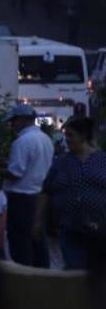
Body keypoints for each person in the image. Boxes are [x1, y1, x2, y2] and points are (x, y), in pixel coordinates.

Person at [39, 116, 106, 270]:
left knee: (98, 272)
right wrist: (38, 221)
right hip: (70, 228)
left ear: (83, 136)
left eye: (70, 135)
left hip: (100, 229)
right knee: (76, 270)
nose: (66, 139)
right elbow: (46, 192)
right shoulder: (61, 163)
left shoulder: (102, 160)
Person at [0, 103, 54, 267]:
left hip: (21, 200)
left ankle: (24, 283)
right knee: (38, 243)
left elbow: (15, 174)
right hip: (39, 198)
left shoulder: (22, 142)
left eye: (14, 121)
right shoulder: (45, 139)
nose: (12, 125)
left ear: (23, 120)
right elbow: (35, 165)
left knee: (21, 246)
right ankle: (43, 280)